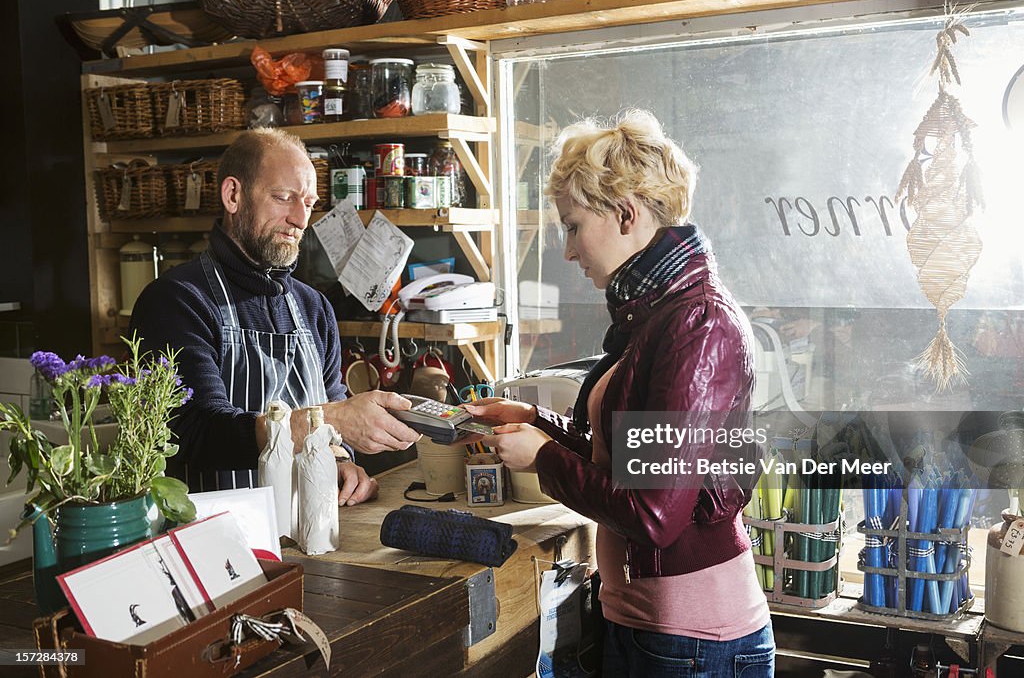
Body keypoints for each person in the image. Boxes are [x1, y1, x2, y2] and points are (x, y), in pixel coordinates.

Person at [465, 110, 774, 676]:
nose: (568, 250)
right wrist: (536, 420)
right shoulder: (654, 313)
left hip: (693, 639)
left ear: (626, 214)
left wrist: (544, 458)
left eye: (574, 226)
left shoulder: (696, 323)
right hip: (649, 624)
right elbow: (629, 459)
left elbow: (655, 514)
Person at [131, 128, 420, 505]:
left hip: (309, 533)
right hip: (219, 540)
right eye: (284, 198)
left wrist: (341, 461)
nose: (301, 219)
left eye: (310, 203)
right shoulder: (176, 301)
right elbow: (197, 434)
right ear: (233, 195)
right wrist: (330, 419)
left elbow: (332, 420)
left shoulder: (314, 308)